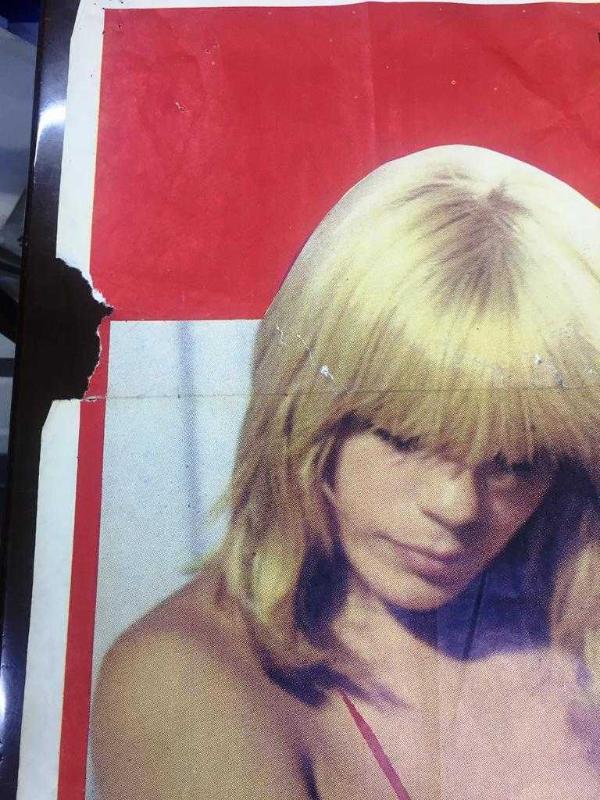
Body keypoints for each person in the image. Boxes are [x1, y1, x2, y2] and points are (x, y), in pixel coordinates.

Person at [91, 145, 600, 800]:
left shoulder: (574, 615)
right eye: (405, 438)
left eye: (515, 462)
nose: (458, 507)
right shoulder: (186, 678)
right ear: (305, 412)